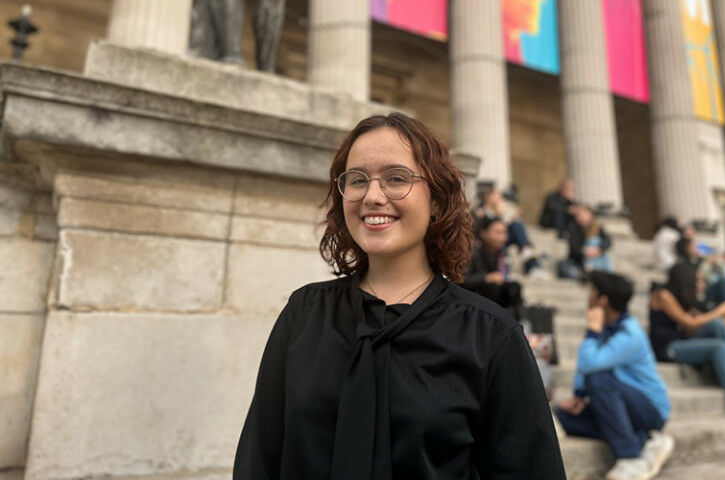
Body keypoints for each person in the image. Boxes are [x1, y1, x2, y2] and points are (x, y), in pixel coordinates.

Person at [233, 113, 566, 479]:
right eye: (357, 180)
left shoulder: (490, 335)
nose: (373, 196)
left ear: (436, 200)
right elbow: (259, 461)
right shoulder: (304, 314)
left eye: (396, 178)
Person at [556, 272, 674, 480]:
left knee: (598, 380)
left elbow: (590, 364)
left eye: (592, 291)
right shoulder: (606, 326)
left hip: (650, 409)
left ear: (603, 300)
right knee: (564, 418)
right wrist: (579, 395)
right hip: (622, 401)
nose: (589, 296)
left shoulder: (630, 333)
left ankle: (631, 457)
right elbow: (586, 366)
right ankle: (645, 440)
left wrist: (592, 331)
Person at [649, 238, 725, 417]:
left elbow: (698, 321)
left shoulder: (685, 297)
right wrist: (719, 311)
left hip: (683, 340)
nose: (701, 285)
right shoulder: (663, 295)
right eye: (698, 281)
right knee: (718, 346)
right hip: (667, 348)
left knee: (717, 326)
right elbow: (688, 323)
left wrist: (723, 319)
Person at [462, 216, 523, 310]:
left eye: (504, 233)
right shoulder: (472, 251)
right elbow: (461, 280)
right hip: (473, 295)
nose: (502, 238)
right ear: (484, 233)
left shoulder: (502, 253)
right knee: (493, 286)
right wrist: (486, 278)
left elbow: (504, 276)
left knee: (514, 287)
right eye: (498, 232)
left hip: (493, 296)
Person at [558, 204, 613, 280]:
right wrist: (585, 251)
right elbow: (574, 247)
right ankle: (583, 275)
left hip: (595, 259)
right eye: (578, 215)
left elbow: (607, 241)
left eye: (582, 215)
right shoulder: (573, 228)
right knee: (563, 265)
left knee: (594, 241)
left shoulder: (597, 228)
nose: (580, 217)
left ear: (590, 215)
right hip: (579, 260)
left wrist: (598, 250)